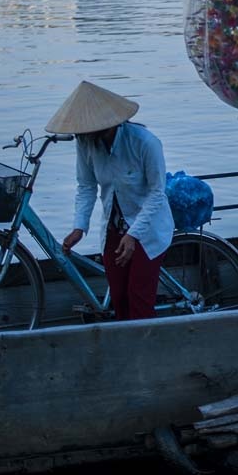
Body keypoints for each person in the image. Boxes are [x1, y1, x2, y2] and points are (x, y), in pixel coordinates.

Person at [46, 80, 175, 321]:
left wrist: (133, 235)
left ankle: (145, 343)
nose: (82, 136)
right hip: (114, 228)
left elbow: (157, 193)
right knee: (119, 298)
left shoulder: (145, 143)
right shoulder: (86, 144)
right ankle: (124, 342)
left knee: (139, 299)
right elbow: (86, 186)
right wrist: (79, 227)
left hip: (147, 228)